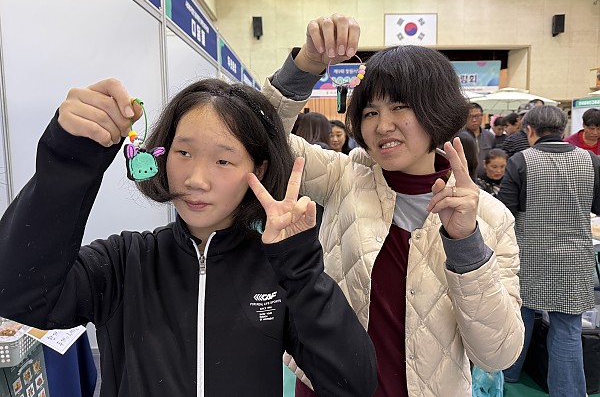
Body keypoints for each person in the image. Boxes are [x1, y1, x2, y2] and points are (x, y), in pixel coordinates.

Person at [0, 78, 377, 396]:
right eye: (183, 152)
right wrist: (70, 158)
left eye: (223, 160)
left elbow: (352, 383)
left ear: (258, 170)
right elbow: (19, 297)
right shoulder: (125, 261)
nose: (196, 179)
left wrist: (300, 269)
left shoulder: (277, 271)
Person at [263, 14, 524, 397]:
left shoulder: (489, 216)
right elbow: (261, 137)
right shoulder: (344, 176)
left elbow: (498, 352)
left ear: (437, 109)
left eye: (400, 107)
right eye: (370, 112)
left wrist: (466, 244)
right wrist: (307, 64)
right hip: (327, 386)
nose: (382, 125)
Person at [497, 105, 600, 397]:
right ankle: (567, 393)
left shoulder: (520, 161)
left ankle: (508, 376)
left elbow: (504, 213)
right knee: (567, 330)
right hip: (575, 258)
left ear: (530, 130)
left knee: (520, 318)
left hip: (529, 256)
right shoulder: (590, 160)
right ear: (563, 129)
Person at [460, 103, 495, 177]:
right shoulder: (459, 137)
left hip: (485, 178)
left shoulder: (490, 136)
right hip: (466, 176)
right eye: (470, 116)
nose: (474, 120)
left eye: (477, 116)